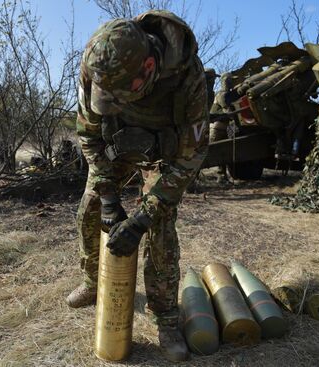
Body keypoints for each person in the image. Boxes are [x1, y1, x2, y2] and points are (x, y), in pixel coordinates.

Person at [66, 10, 209, 362]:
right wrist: (109, 195)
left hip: (165, 154)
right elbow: (88, 134)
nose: (111, 100)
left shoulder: (188, 78)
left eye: (120, 94)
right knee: (91, 208)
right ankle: (94, 282)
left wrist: (142, 218)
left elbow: (191, 156)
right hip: (116, 146)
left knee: (161, 227)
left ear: (147, 68)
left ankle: (165, 318)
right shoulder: (96, 64)